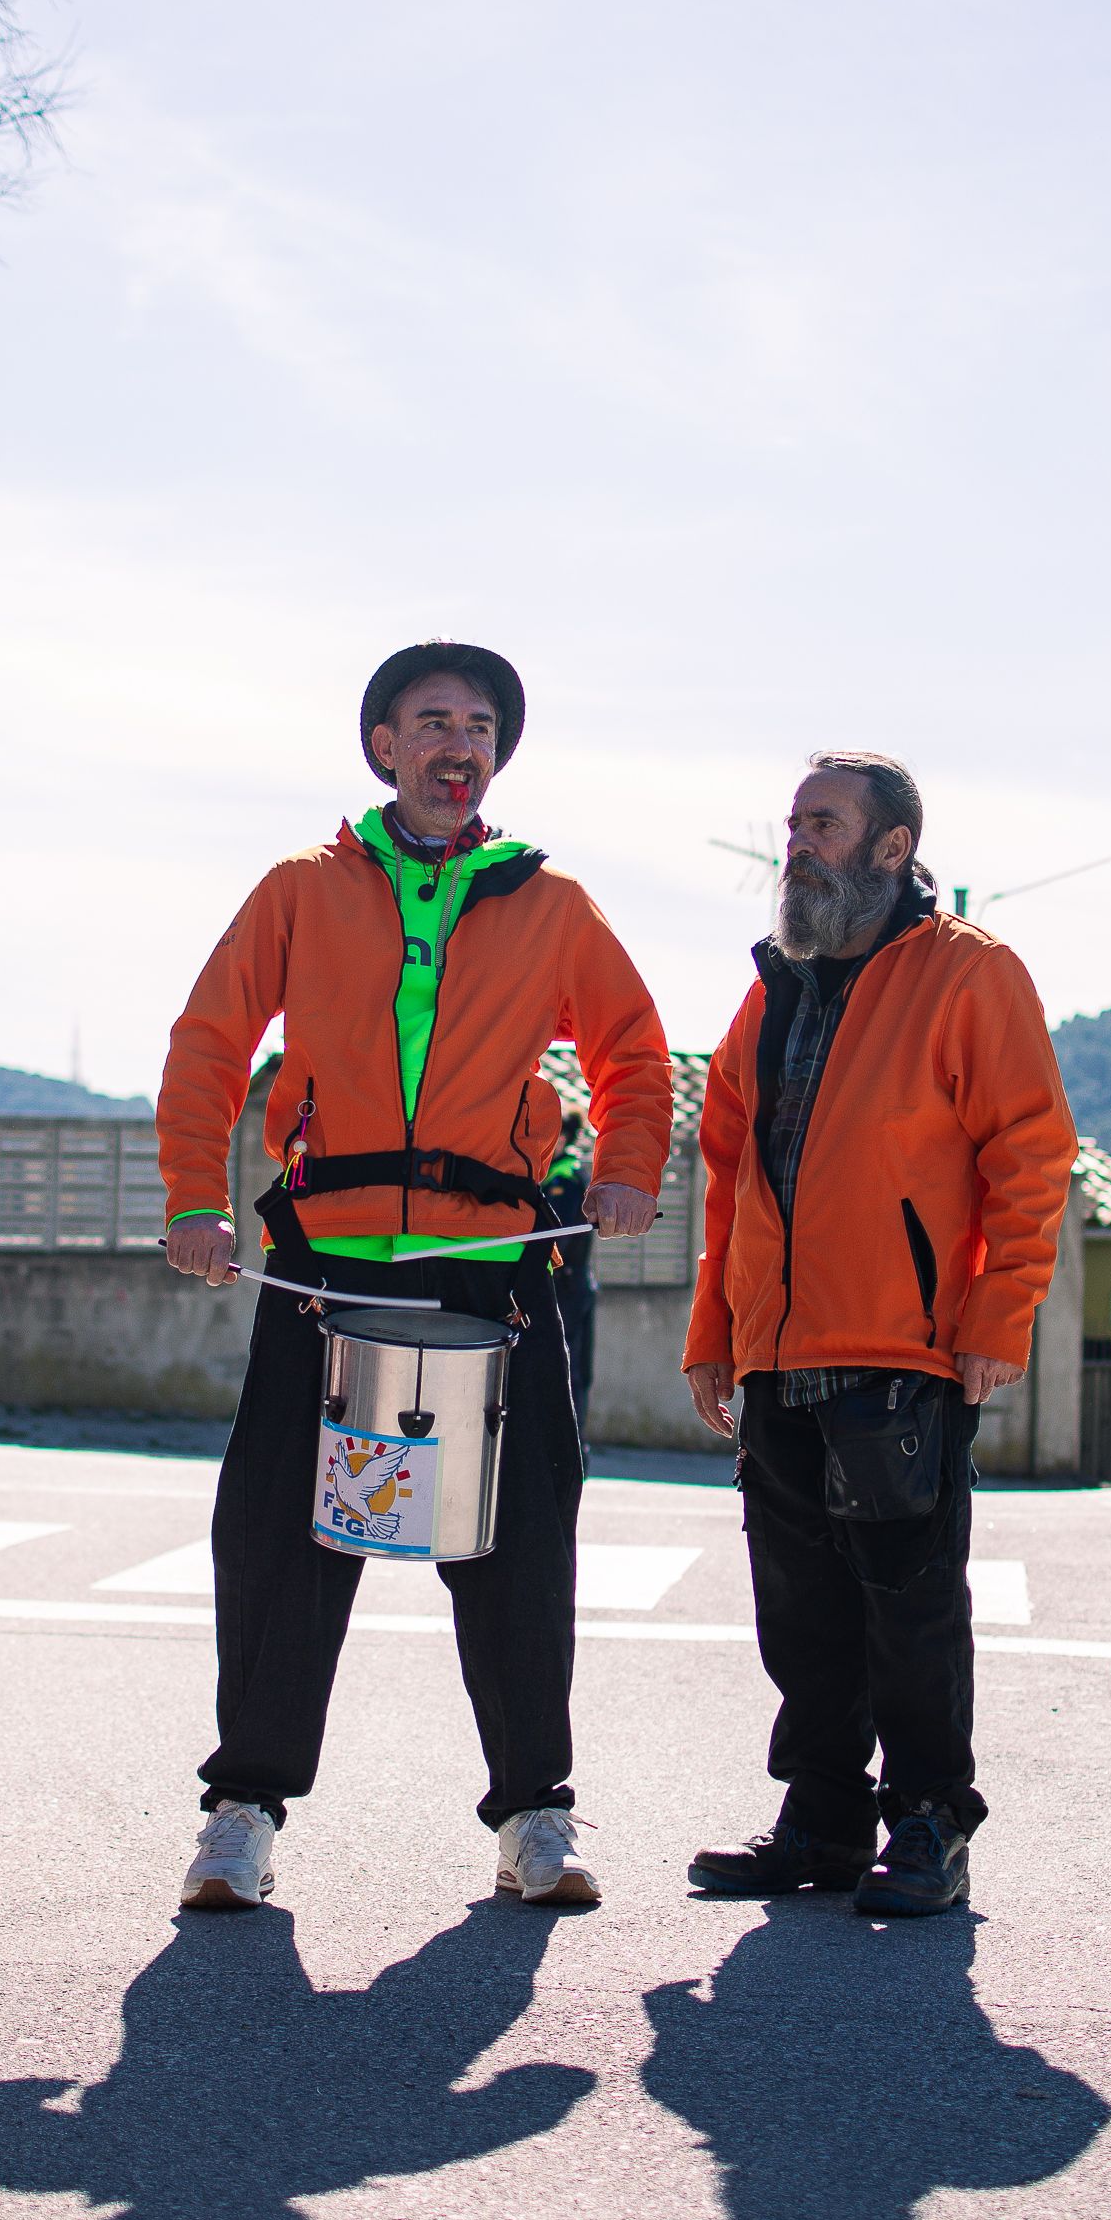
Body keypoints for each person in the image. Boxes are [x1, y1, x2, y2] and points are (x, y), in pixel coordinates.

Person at [158, 642, 673, 1912]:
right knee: (280, 1535)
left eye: (481, 725)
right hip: (322, 1264)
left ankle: (534, 1818)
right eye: (432, 720)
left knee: (514, 1538)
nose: (459, 743)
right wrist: (190, 1199)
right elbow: (210, 1042)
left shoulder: (551, 903)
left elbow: (633, 1050)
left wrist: (626, 1171)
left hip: (491, 1266)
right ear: (380, 744)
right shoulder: (300, 887)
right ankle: (243, 1812)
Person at [682, 751, 1075, 1916]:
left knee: (907, 1607)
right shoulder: (771, 988)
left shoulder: (968, 975)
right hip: (777, 1355)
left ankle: (927, 1824)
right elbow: (727, 1177)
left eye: (823, 824)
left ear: (891, 847)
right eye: (793, 825)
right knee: (796, 1607)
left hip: (901, 1346)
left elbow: (1028, 1153)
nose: (795, 844)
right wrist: (715, 1331)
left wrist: (997, 1314)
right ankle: (821, 1821)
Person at [544, 1110, 597, 1442]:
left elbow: (556, 1238)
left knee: (569, 1370)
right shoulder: (556, 1175)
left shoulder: (565, 1180)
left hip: (567, 1286)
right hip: (571, 1285)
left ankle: (572, 1448)